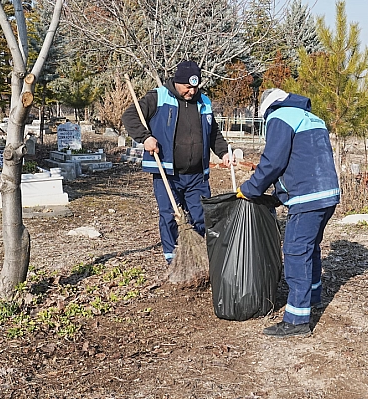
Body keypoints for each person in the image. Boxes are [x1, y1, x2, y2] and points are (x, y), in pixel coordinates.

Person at [237, 88, 340, 337]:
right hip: (327, 194)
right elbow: (303, 159)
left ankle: (296, 320)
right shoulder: (309, 116)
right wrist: (279, 196)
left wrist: (250, 189)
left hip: (307, 198)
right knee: (310, 248)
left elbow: (274, 161)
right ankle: (311, 296)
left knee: (295, 251)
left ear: (266, 109)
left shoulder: (279, 117)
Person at [122, 60, 232, 264]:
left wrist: (223, 152)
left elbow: (213, 132)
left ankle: (197, 255)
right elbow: (130, 116)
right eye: (187, 87)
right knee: (170, 215)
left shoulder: (204, 102)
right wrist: (145, 137)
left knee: (201, 216)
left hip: (197, 175)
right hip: (167, 172)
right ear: (177, 82)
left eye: (195, 86)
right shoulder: (158, 97)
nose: (192, 91)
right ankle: (172, 260)